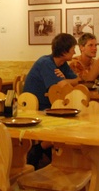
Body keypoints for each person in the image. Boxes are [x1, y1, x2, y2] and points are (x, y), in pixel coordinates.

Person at [23, 33, 80, 169]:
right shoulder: (46, 63)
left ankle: (45, 150)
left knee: (74, 119)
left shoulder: (62, 64)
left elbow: (77, 80)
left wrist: (65, 79)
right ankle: (39, 149)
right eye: (73, 49)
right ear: (64, 51)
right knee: (68, 123)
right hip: (36, 107)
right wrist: (65, 81)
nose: (75, 52)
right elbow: (60, 88)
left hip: (51, 104)